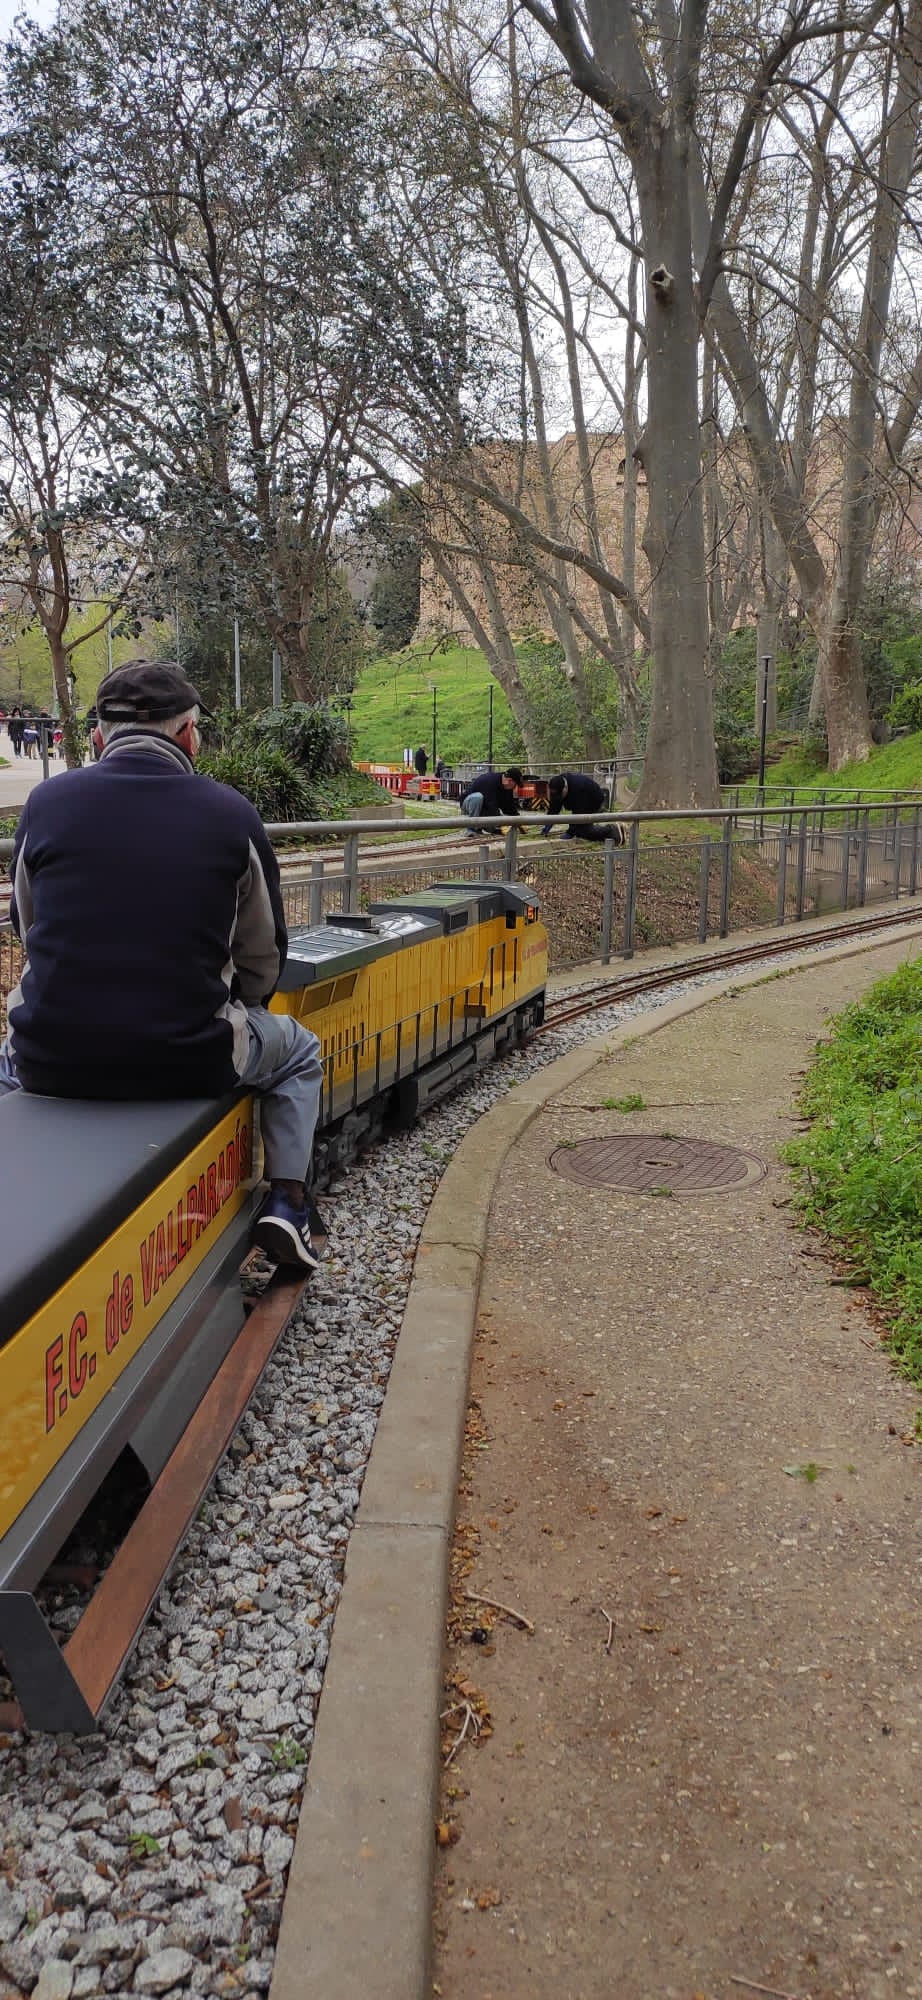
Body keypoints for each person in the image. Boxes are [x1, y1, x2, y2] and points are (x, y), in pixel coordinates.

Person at [0, 658, 324, 1270]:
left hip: (49, 1060)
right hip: (192, 1060)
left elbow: (27, 924)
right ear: (187, 734)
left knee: (4, 1056)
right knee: (300, 1051)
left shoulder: (44, 804)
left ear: (98, 737)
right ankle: (288, 1203)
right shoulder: (231, 813)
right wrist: (247, 1006)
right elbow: (262, 954)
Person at [541, 771, 623, 842]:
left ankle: (611, 830)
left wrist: (570, 832)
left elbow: (578, 815)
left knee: (582, 831)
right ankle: (597, 829)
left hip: (593, 800)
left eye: (560, 795)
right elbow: (554, 808)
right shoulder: (557, 784)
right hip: (580, 802)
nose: (558, 798)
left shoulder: (579, 788)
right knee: (580, 830)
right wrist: (547, 825)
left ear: (565, 788)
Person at [460, 767, 523, 835]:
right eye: (515, 784)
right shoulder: (489, 781)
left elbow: (509, 806)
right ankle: (471, 829)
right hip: (468, 806)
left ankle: (485, 827)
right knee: (477, 797)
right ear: (509, 781)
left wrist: (519, 821)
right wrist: (502, 824)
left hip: (484, 809)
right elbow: (491, 805)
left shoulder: (507, 787)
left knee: (495, 828)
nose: (515, 787)